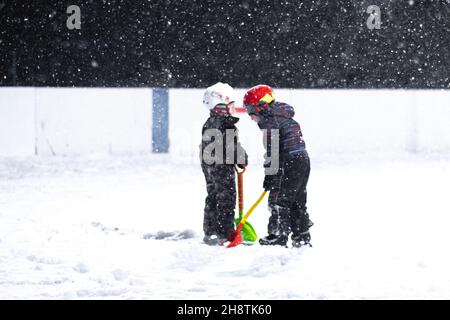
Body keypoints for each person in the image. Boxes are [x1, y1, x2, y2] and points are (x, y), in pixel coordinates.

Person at [243, 84, 313, 248]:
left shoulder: (270, 121)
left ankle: (278, 235)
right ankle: (302, 236)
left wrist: (270, 175)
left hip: (290, 162)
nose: (250, 115)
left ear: (261, 106)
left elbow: (273, 150)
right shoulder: (283, 115)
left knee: (278, 200)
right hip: (303, 160)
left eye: (251, 110)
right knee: (297, 200)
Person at [200, 82, 248, 245]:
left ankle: (211, 229)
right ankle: (224, 232)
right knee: (226, 196)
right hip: (220, 166)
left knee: (213, 194)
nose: (230, 110)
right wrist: (241, 157)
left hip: (209, 164)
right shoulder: (225, 123)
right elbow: (230, 146)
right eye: (227, 107)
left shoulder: (210, 122)